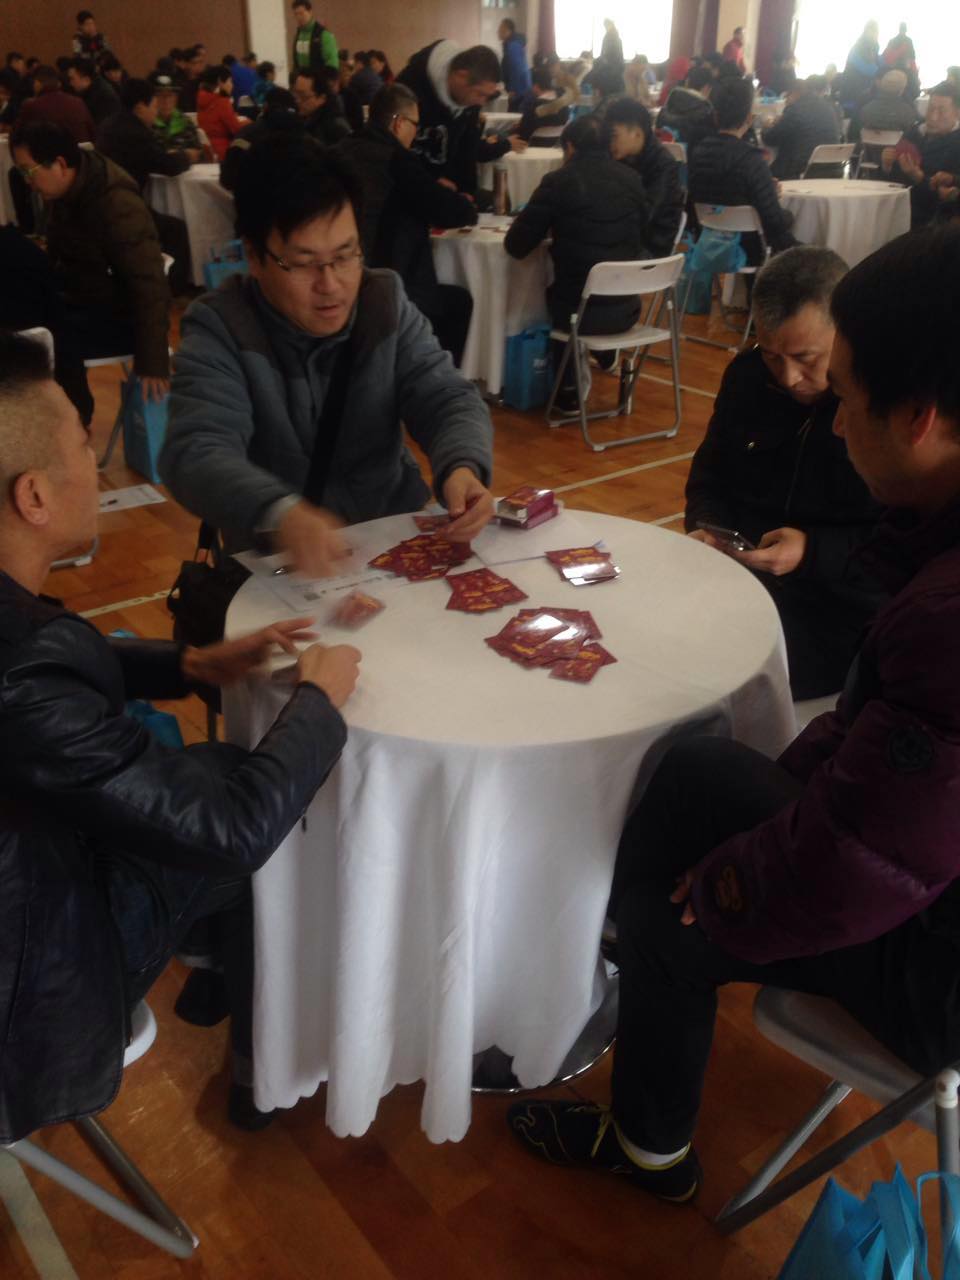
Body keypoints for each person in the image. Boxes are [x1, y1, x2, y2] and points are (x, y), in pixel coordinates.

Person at [507, 222, 960, 1206]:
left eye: (845, 396)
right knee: (701, 771)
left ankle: (649, 1149)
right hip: (922, 887)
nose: (832, 422)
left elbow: (865, 862)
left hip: (939, 975)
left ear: (920, 417)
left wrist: (728, 887)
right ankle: (616, 942)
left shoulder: (945, 616)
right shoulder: (933, 560)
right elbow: (880, 758)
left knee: (670, 909)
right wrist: (764, 818)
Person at [0, 330, 362, 1137]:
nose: (94, 464)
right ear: (34, 497)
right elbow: (232, 831)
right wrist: (319, 700)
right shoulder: (20, 672)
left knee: (213, 765)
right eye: (84, 446)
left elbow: (53, 673)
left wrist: (191, 663)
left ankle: (215, 958)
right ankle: (270, 1059)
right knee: (262, 799)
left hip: (32, 883)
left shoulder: (19, 638)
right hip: (33, 997)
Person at [160, 136, 494, 575]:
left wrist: (462, 466)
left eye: (345, 255)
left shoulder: (382, 301)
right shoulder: (221, 328)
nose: (331, 285)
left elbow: (445, 396)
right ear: (255, 257)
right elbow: (195, 450)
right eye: (304, 263)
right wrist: (280, 513)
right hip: (281, 565)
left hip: (391, 537)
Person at [685, 246, 885, 698]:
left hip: (835, 610)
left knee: (712, 677)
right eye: (772, 355)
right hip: (737, 582)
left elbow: (902, 543)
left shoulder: (880, 406)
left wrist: (812, 552)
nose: (789, 377)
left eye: (806, 358)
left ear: (847, 333)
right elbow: (709, 473)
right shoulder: (747, 376)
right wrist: (707, 526)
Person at [11, 121, 170, 426]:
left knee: (38, 339)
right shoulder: (65, 192)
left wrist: (153, 362)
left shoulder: (115, 202)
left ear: (60, 164)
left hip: (117, 318)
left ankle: (71, 424)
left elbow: (149, 282)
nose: (28, 182)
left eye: (29, 171)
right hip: (81, 298)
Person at [505, 116, 650, 413]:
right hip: (627, 309)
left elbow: (516, 246)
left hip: (578, 314)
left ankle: (567, 389)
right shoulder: (633, 179)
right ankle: (603, 354)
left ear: (569, 147)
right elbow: (641, 235)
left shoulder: (558, 182)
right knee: (585, 279)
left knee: (554, 291)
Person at [336, 83, 476, 366]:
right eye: (415, 124)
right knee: (459, 303)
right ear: (398, 123)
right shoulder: (396, 159)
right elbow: (447, 210)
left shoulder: (340, 150)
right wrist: (467, 206)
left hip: (343, 269)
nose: (416, 132)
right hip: (388, 280)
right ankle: (436, 380)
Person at [96, 78, 195, 294]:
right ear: (140, 107)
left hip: (102, 202)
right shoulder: (135, 133)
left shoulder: (109, 124)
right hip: (122, 210)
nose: (156, 111)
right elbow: (167, 165)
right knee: (176, 229)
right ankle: (174, 290)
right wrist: (186, 156)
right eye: (154, 105)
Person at [688, 76, 798, 258]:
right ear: (749, 118)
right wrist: (769, 193)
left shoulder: (698, 153)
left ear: (715, 116)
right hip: (749, 248)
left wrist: (765, 189)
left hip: (708, 244)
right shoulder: (752, 159)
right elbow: (774, 222)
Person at [398, 42, 523, 198]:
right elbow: (393, 152)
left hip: (448, 191)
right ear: (461, 76)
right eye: (480, 94)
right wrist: (430, 180)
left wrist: (466, 193)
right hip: (408, 192)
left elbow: (468, 149)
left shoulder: (469, 100)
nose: (481, 102)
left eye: (487, 96)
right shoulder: (409, 88)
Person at [604, 98, 685, 259]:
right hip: (626, 238)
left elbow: (647, 214)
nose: (609, 143)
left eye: (614, 136)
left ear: (637, 133)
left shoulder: (663, 165)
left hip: (652, 245)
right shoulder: (623, 158)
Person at [883, 82, 960, 229]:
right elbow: (893, 180)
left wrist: (919, 178)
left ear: (957, 113)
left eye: (942, 111)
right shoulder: (914, 132)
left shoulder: (956, 143)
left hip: (933, 220)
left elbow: (949, 198)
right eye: (930, 109)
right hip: (898, 206)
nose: (933, 117)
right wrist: (887, 165)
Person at [220, 87, 304, 192]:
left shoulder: (248, 134)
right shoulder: (303, 136)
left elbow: (228, 177)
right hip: (292, 198)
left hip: (251, 197)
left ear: (265, 107)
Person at [762, 75, 842, 179]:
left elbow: (770, 139)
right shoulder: (828, 107)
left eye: (787, 96)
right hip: (833, 169)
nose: (786, 100)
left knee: (762, 173)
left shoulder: (795, 109)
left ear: (794, 93)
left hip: (801, 170)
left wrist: (766, 127)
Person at [16, 64, 95, 141]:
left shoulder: (31, 105)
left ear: (37, 83)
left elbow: (17, 137)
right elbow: (92, 133)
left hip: (46, 149)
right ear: (58, 84)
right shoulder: (78, 102)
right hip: (80, 148)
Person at [657, 64, 716, 157]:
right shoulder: (706, 112)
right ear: (707, 88)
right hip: (692, 162)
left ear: (687, 82)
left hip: (662, 158)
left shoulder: (671, 99)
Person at [197, 64, 251, 162]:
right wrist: (248, 122)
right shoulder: (222, 102)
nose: (232, 85)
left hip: (208, 152)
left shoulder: (201, 99)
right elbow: (236, 129)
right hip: (224, 152)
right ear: (220, 82)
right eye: (230, 81)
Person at [514, 66, 574, 143]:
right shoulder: (564, 104)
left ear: (535, 86)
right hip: (558, 145)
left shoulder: (534, 105)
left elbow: (524, 133)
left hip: (533, 145)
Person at [293, 67, 351, 146]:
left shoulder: (335, 127)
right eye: (295, 94)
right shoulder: (301, 118)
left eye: (303, 96)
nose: (297, 100)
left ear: (322, 98)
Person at [150, 72, 204, 156]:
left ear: (176, 98)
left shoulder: (184, 121)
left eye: (170, 95)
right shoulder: (146, 123)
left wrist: (184, 154)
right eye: (160, 96)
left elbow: (198, 152)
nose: (166, 101)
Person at [857, 68, 918, 136]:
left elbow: (855, 133)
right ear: (902, 90)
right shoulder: (907, 112)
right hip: (898, 143)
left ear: (882, 86)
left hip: (867, 143)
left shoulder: (865, 110)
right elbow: (912, 136)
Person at [66, 55, 120, 126]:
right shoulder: (87, 90)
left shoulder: (104, 97)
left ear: (86, 79)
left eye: (72, 79)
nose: (70, 83)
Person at [291, 0, 339, 78]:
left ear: (310, 12)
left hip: (319, 82)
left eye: (301, 13)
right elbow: (296, 63)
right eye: (296, 14)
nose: (298, 17)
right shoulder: (298, 34)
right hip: (301, 81)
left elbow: (332, 66)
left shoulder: (324, 34)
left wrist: (315, 79)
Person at [841, 19, 880, 109]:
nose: (875, 34)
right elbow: (867, 69)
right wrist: (881, 73)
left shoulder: (874, 48)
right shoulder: (858, 47)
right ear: (866, 30)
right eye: (873, 30)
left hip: (865, 94)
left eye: (876, 31)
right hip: (851, 93)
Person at [498, 18, 531, 107]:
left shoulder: (513, 46)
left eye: (501, 29)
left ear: (508, 30)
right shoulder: (511, 44)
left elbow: (517, 68)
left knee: (515, 112)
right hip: (520, 88)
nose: (498, 31)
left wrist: (513, 89)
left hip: (519, 90)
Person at [177, 46, 206, 114]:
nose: (198, 66)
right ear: (185, 64)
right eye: (194, 63)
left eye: (200, 62)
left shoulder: (204, 80)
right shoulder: (179, 82)